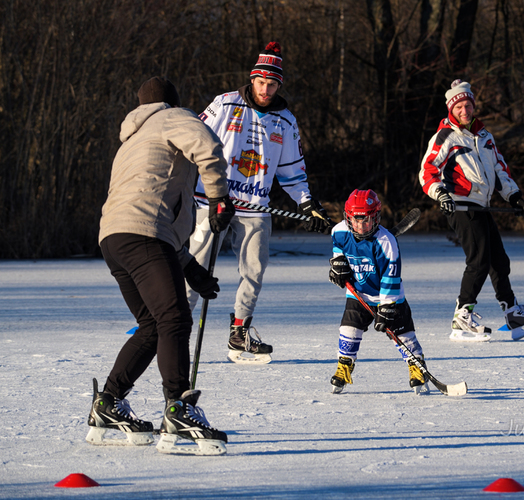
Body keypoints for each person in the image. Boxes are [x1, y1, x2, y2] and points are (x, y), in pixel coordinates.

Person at [87, 77, 234, 455]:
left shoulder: (130, 141)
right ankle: (179, 408)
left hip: (114, 239)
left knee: (152, 325)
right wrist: (219, 198)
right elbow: (209, 146)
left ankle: (108, 403)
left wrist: (190, 268)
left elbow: (148, 209)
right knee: (174, 319)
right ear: (171, 102)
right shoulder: (171, 117)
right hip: (144, 237)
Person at [188, 41, 333, 364]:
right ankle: (174, 329)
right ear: (252, 79)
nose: (266, 89)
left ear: (279, 84)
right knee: (193, 268)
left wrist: (307, 204)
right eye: (261, 82)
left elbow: (292, 171)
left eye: (272, 84)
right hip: (213, 203)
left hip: (255, 207)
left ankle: (239, 332)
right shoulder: (224, 105)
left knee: (254, 269)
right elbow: (193, 140)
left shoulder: (286, 121)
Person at [419, 79, 524, 342]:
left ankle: (512, 311)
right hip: (460, 204)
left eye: (468, 105)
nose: (464, 111)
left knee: (499, 260)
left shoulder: (484, 136)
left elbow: (499, 170)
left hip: (482, 205)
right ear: (451, 110)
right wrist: (440, 193)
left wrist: (514, 196)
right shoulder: (445, 136)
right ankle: (462, 315)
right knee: (478, 259)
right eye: (459, 107)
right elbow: (427, 172)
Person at [327, 189, 428, 395]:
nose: (361, 226)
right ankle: (344, 366)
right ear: (348, 218)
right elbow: (338, 248)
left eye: (367, 221)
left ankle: (417, 367)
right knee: (348, 330)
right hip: (359, 293)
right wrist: (338, 264)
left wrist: (387, 307)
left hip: (389, 297)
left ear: (376, 218)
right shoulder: (339, 231)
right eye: (356, 221)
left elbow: (391, 277)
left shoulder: (387, 242)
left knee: (403, 335)